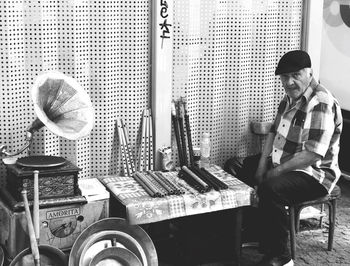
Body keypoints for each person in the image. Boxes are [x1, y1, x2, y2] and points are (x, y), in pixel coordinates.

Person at [245, 50, 342, 266]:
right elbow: (273, 131)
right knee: (242, 167)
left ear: (309, 73)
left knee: (272, 187)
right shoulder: (289, 99)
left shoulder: (321, 102)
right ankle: (259, 234)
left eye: (296, 75)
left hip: (315, 174)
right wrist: (262, 166)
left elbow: (312, 154)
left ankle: (281, 256)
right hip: (288, 163)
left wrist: (274, 172)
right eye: (284, 77)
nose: (289, 82)